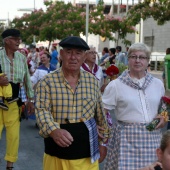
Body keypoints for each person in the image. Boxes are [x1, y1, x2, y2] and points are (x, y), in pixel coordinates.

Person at [35, 36, 111, 170]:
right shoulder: (47, 82)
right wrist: (54, 130)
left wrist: (103, 143)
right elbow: (42, 111)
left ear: (84, 57)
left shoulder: (92, 82)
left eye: (78, 53)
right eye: (69, 52)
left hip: (87, 156)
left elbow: (100, 114)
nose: (73, 57)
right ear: (61, 54)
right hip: (57, 155)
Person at [102, 43, 166, 170]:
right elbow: (101, 112)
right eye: (133, 56)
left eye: (142, 57)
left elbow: (163, 107)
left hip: (152, 138)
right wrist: (103, 137)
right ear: (128, 60)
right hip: (126, 140)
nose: (137, 60)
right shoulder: (116, 85)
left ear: (148, 61)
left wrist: (164, 117)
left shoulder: (157, 84)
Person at [0, 29, 34, 169]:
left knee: (14, 137)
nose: (19, 41)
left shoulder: (21, 58)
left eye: (19, 38)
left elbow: (27, 79)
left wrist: (30, 99)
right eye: (15, 38)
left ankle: (10, 166)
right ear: (7, 40)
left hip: (14, 102)